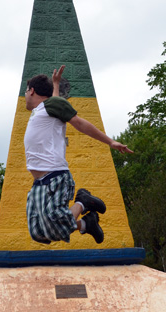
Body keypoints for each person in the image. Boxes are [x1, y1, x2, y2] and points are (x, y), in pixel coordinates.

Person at [24, 65, 133, 245]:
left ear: (32, 91)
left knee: (55, 225)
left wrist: (110, 141)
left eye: (26, 92)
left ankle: (82, 202)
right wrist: (56, 85)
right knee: (38, 233)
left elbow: (79, 123)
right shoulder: (46, 108)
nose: (25, 96)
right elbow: (56, 102)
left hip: (55, 176)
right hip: (39, 183)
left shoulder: (50, 105)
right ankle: (86, 224)